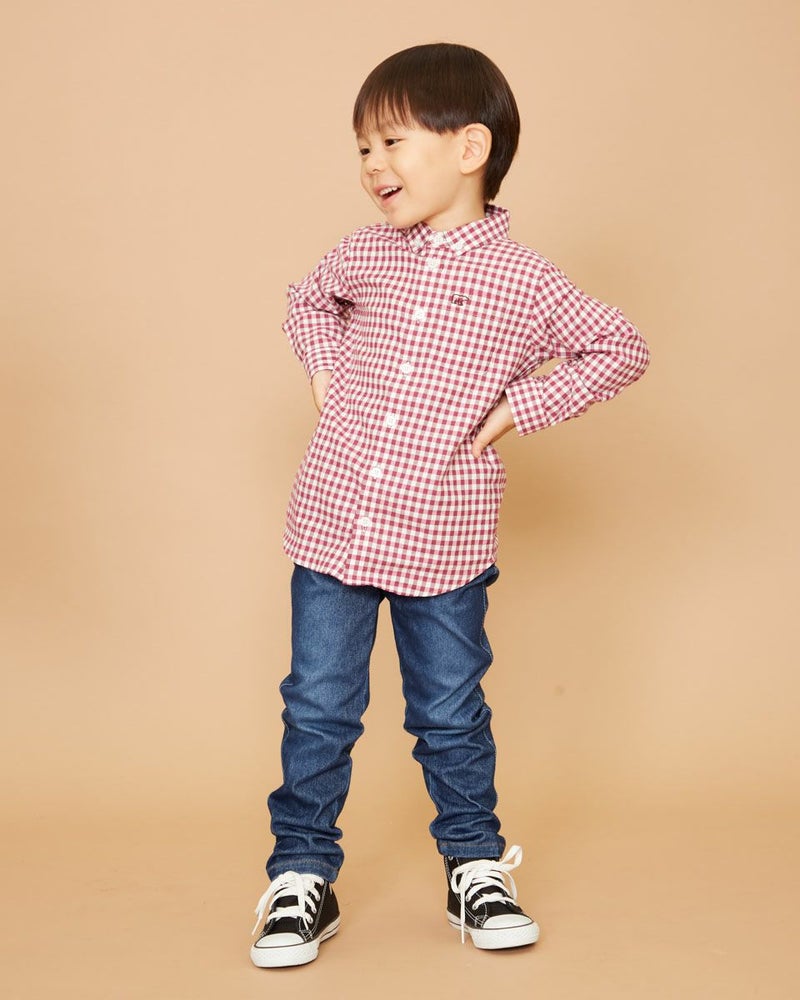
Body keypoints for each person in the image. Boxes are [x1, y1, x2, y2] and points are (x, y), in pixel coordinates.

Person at [250, 42, 650, 969]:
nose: (371, 165)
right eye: (362, 148)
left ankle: (475, 865)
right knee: (317, 707)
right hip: (335, 523)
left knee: (450, 711)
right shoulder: (365, 253)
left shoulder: (527, 282)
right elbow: (308, 302)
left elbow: (619, 348)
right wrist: (326, 373)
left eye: (391, 142)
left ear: (470, 148)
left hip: (444, 536)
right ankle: (300, 874)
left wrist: (521, 409)